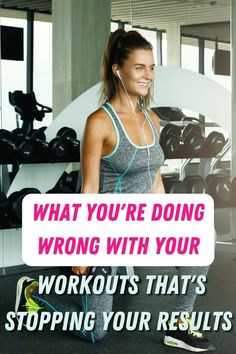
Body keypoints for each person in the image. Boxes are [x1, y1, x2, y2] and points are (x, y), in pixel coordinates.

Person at [15, 29, 214, 352]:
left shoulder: (152, 119)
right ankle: (34, 293)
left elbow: (154, 178)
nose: (148, 76)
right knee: (96, 332)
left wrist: (170, 222)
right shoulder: (100, 122)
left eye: (151, 67)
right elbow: (89, 188)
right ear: (117, 70)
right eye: (139, 67)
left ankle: (178, 324)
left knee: (198, 251)